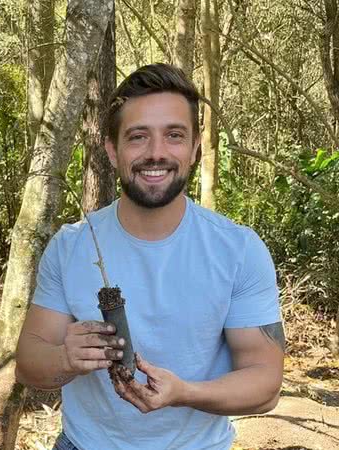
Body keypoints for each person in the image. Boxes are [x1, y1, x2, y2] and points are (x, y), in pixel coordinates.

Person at [15, 63, 285, 450]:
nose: (156, 153)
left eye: (174, 135)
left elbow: (265, 382)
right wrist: (65, 359)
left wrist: (183, 392)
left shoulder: (238, 250)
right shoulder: (72, 244)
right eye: (138, 137)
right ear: (112, 150)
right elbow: (28, 363)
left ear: (194, 149)